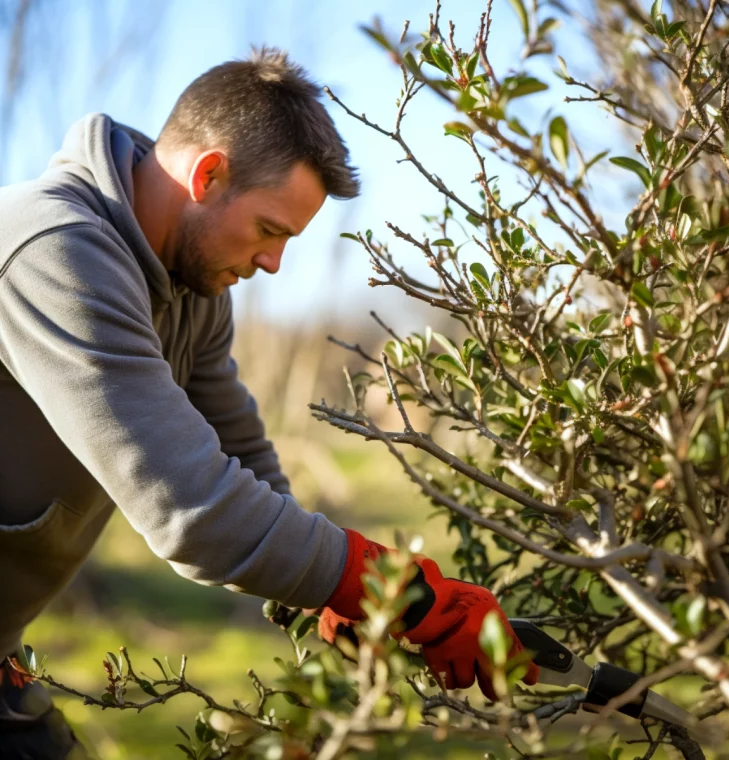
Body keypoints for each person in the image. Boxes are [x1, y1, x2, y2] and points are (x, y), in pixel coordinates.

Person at [0, 48, 537, 757]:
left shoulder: (192, 284)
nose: (274, 263)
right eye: (270, 230)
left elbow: (234, 452)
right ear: (208, 174)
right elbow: (191, 507)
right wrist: (395, 593)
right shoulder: (54, 249)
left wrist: (324, 595)